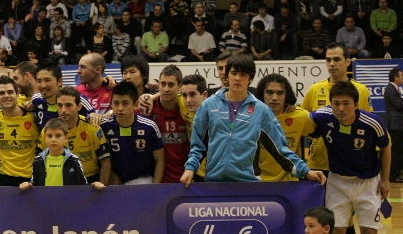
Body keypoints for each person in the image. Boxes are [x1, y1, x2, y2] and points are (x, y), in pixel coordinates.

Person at [181, 54, 326, 186]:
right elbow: (198, 146)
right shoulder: (208, 105)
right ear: (227, 76)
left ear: (250, 79)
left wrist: (305, 171)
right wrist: (190, 169)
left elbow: (281, 150)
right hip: (214, 183)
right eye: (234, 73)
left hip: (249, 185)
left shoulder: (261, 111)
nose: (237, 78)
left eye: (243, 74)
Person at [310, 82, 390, 234]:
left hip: (367, 183)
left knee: (369, 233)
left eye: (346, 103)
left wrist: (386, 180)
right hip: (337, 182)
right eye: (336, 103)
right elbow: (304, 118)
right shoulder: (323, 116)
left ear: (356, 105)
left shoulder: (372, 123)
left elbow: (386, 147)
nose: (341, 108)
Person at [302, 43, 371, 185]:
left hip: (351, 162)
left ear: (347, 61)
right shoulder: (315, 89)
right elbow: (304, 124)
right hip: (320, 163)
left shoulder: (361, 90)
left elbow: (368, 128)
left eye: (337, 59)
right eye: (328, 60)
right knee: (319, 207)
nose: (332, 64)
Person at [100, 81, 164, 185]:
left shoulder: (149, 127)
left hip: (142, 180)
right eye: (116, 103)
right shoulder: (103, 126)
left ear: (136, 105)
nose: (120, 108)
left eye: (125, 103)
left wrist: (155, 188)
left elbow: (159, 160)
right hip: (113, 182)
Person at [19, 118, 97, 190]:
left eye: (58, 136)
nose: (53, 139)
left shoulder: (74, 160)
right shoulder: (38, 160)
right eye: (50, 136)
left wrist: (94, 185)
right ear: (45, 138)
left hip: (67, 203)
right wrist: (27, 185)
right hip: (44, 203)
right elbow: (34, 184)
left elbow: (83, 185)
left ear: (66, 138)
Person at [145, 64, 191, 182]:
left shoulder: (188, 109)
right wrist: (109, 112)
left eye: (171, 85)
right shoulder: (148, 108)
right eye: (163, 84)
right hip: (156, 180)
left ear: (180, 86)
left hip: (185, 179)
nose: (166, 89)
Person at [57, 86, 111, 184]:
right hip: (61, 182)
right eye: (60, 105)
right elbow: (40, 161)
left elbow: (106, 161)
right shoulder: (50, 130)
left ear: (79, 107)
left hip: (91, 181)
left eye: (68, 105)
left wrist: (102, 188)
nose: (63, 110)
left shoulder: (93, 128)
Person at [385, 68, 403, 181]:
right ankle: (393, 175)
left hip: (398, 124)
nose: (402, 77)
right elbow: (399, 105)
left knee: (399, 150)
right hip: (396, 124)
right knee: (396, 150)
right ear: (396, 77)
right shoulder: (390, 89)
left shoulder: (395, 89)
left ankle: (396, 173)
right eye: (401, 75)